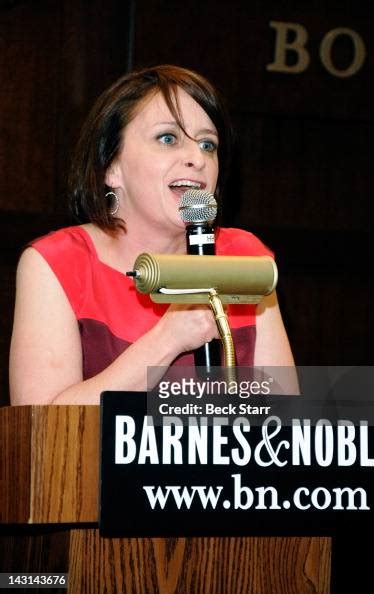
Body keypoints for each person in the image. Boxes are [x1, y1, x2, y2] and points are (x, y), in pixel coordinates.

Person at [9, 64, 297, 405]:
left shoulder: (244, 257)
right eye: (168, 138)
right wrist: (167, 338)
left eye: (208, 145)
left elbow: (286, 417)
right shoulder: (57, 264)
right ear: (111, 166)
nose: (196, 158)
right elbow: (42, 430)